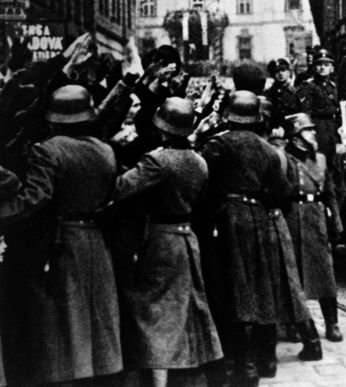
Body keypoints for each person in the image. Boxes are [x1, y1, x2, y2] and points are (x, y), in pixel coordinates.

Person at [0, 85, 123, 385]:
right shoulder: (105, 150)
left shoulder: (49, 150)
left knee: (66, 320)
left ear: (55, 118)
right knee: (97, 314)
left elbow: (36, 197)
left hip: (62, 241)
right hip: (95, 238)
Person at [110, 97, 223, 384]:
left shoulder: (157, 161)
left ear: (163, 128)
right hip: (187, 238)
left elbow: (122, 188)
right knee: (187, 308)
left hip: (159, 240)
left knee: (154, 311)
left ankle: (158, 379)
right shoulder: (199, 161)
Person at [199, 90, 296, 385]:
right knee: (261, 288)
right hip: (260, 220)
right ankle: (264, 361)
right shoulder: (269, 151)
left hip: (227, 220)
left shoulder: (217, 145)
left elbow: (203, 184)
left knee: (229, 292)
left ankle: (238, 363)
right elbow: (281, 192)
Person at [282, 113, 343, 343]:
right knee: (292, 274)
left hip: (315, 217)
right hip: (291, 217)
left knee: (324, 272)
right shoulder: (283, 160)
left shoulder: (320, 160)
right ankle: (292, 324)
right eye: (308, 130)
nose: (313, 134)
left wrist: (336, 222)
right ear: (296, 136)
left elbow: (330, 194)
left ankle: (332, 322)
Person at [296, 47, 341, 162]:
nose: (322, 68)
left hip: (332, 128)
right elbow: (305, 112)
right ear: (314, 67)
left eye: (326, 65)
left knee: (335, 161)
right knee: (320, 160)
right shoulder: (308, 86)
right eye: (319, 65)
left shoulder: (333, 86)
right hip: (318, 127)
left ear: (331, 68)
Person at [266, 58, 302, 132]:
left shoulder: (295, 93)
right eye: (277, 71)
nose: (280, 74)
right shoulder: (269, 93)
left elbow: (300, 116)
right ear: (273, 74)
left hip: (291, 130)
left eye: (283, 70)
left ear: (288, 73)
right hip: (272, 130)